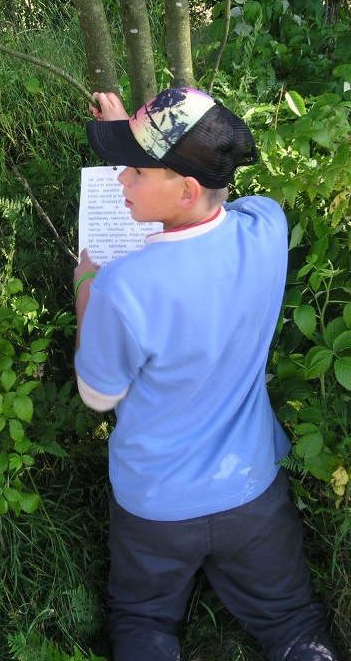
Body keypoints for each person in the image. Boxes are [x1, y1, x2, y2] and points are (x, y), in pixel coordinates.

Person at [73, 87, 338, 661]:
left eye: (135, 171)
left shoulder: (119, 288)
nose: (121, 180)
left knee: (141, 621)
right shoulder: (267, 225)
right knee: (294, 622)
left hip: (155, 508)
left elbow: (98, 395)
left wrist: (85, 288)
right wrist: (134, 138)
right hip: (252, 494)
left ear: (187, 189)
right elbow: (216, 209)